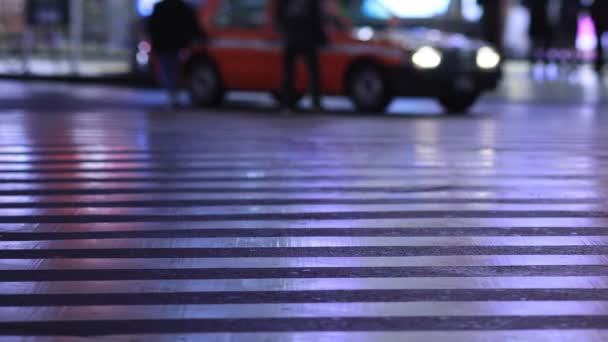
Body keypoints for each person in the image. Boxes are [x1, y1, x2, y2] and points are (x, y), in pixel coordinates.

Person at [147, 0, 203, 108]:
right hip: (176, 45)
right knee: (174, 68)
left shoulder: (159, 7)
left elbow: (151, 26)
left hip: (162, 44)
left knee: (167, 69)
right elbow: (192, 25)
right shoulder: (182, 7)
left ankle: (171, 92)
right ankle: (173, 92)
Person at [275, 0, 327, 112]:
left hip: (292, 38)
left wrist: (283, 31)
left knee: (289, 73)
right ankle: (315, 103)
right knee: (312, 72)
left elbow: (279, 14)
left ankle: (287, 104)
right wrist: (322, 38)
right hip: (306, 38)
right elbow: (317, 17)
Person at [589, 0, 608, 74]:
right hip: (600, 22)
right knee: (599, 45)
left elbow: (593, 10)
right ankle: (599, 65)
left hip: (599, 22)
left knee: (599, 45)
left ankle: (599, 65)